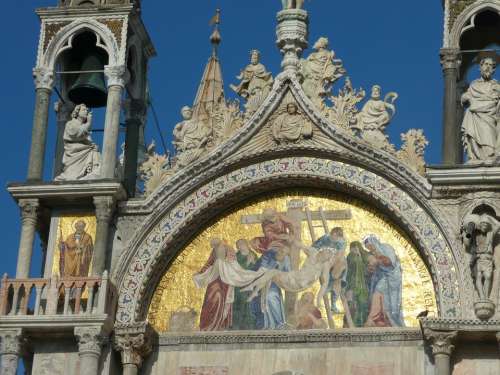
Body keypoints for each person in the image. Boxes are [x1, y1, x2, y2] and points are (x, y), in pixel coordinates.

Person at [461, 57, 500, 162]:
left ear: (493, 70)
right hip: (476, 117)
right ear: (480, 67)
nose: (488, 67)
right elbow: (466, 96)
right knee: (469, 112)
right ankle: (476, 156)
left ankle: (490, 156)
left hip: (490, 117)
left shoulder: (496, 85)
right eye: (486, 64)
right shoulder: (474, 85)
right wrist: (465, 97)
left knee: (489, 139)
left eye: (490, 65)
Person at [363, 235, 404, 327]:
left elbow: (390, 262)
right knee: (378, 294)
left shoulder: (386, 247)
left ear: (374, 242)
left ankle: (373, 318)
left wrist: (378, 259)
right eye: (368, 247)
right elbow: (374, 269)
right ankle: (379, 319)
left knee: (379, 293)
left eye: (370, 246)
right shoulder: (373, 253)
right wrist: (370, 269)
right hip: (383, 277)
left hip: (393, 276)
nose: (370, 248)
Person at [55, 104, 101, 181]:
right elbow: (77, 134)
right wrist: (89, 123)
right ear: (77, 112)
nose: (86, 111)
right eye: (83, 110)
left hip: (85, 152)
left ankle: (94, 172)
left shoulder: (84, 126)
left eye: (87, 110)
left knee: (95, 152)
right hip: (74, 154)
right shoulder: (70, 124)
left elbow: (86, 141)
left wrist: (93, 146)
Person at [300, 37, 345, 107]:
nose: (315, 43)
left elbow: (329, 65)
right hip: (309, 75)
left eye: (317, 42)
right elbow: (306, 62)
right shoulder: (312, 55)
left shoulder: (327, 54)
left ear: (321, 44)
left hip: (316, 76)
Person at [312, 227, 347, 313]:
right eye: (333, 235)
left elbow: (339, 255)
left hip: (336, 264)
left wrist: (333, 261)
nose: (334, 238)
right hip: (323, 261)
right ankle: (326, 294)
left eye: (337, 236)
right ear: (331, 233)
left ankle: (333, 304)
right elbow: (314, 247)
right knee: (328, 282)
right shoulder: (325, 238)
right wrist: (320, 256)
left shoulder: (342, 242)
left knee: (337, 280)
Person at [356, 85, 397, 151]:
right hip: (366, 120)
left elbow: (384, 113)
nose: (375, 92)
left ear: (379, 93)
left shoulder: (381, 103)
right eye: (374, 91)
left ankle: (375, 127)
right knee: (359, 115)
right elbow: (363, 112)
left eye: (377, 91)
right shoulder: (369, 102)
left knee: (385, 115)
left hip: (377, 121)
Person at [232, 239, 258, 330]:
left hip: (251, 282)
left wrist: (253, 262)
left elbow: (257, 268)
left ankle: (250, 325)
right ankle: (237, 325)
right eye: (238, 245)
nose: (240, 246)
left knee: (250, 302)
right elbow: (235, 269)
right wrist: (247, 263)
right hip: (238, 283)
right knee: (239, 300)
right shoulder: (236, 256)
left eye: (242, 244)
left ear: (246, 244)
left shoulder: (253, 255)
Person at [345, 241, 371, 327]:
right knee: (352, 305)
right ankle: (351, 324)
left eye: (356, 247)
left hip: (362, 285)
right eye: (352, 248)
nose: (354, 249)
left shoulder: (361, 256)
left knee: (363, 304)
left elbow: (365, 270)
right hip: (352, 284)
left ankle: (362, 323)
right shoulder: (350, 256)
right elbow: (350, 266)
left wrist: (360, 256)